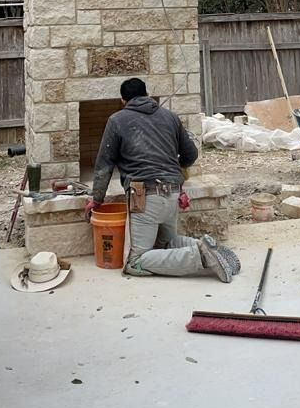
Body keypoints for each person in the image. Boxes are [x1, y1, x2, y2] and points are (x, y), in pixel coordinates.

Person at [85, 77, 240, 282]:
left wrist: (96, 199)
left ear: (123, 100)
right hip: (173, 192)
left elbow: (104, 165)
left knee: (135, 262)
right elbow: (191, 155)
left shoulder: (117, 120)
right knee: (165, 244)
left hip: (144, 196)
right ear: (147, 94)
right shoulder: (170, 117)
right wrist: (175, 170)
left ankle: (201, 256)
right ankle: (202, 246)